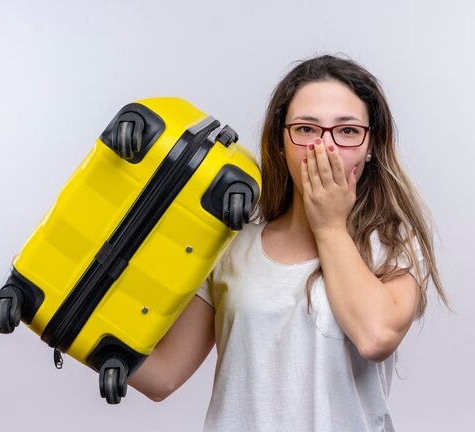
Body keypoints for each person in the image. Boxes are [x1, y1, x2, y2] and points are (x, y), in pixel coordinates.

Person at [128, 54, 449, 431]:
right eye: (307, 129)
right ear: (281, 142)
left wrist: (329, 225)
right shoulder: (231, 245)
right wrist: (62, 321)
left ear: (371, 145)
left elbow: (376, 336)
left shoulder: (392, 244)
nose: (324, 148)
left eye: (347, 131)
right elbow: (163, 375)